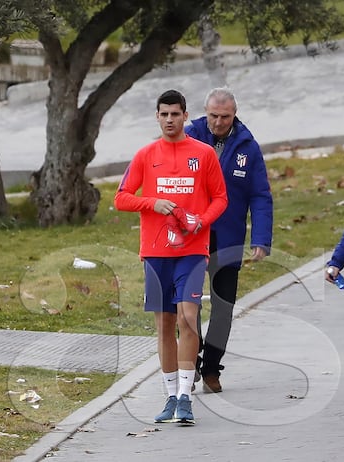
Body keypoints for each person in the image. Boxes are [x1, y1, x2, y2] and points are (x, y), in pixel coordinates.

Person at [114, 89, 227, 424]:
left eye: (175, 114)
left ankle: (185, 397)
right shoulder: (146, 155)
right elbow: (122, 198)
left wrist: (201, 222)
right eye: (163, 114)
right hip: (155, 251)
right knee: (164, 324)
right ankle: (169, 396)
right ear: (157, 116)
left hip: (191, 251)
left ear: (185, 116)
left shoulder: (203, 154)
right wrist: (152, 202)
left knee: (187, 319)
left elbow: (220, 198)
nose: (169, 120)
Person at [185, 87, 273, 393]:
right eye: (213, 116)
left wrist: (261, 238)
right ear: (205, 111)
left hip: (228, 238)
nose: (219, 122)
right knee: (188, 305)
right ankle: (191, 360)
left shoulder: (248, 147)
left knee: (223, 307)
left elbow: (260, 196)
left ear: (234, 114)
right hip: (191, 238)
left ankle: (211, 367)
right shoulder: (189, 136)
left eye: (225, 117)